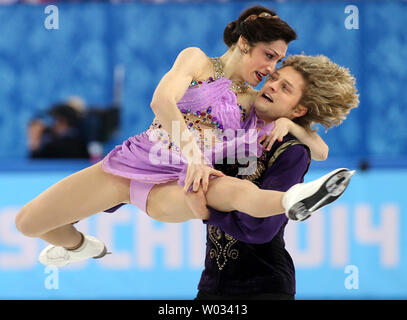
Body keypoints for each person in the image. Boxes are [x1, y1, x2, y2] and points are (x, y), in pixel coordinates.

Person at [15, 5, 351, 268]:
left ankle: (295, 200)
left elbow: (319, 149)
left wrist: (292, 126)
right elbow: (161, 101)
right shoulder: (197, 60)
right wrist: (193, 154)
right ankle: (81, 247)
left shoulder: (253, 100)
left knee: (233, 191)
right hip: (130, 166)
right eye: (269, 56)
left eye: (277, 60)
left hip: (180, 184)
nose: (271, 69)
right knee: (29, 223)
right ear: (244, 44)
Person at [195, 54, 360, 300]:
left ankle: (295, 199)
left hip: (264, 288)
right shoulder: (235, 129)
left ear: (298, 109)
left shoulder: (292, 151)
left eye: (285, 88)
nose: (271, 85)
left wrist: (208, 212)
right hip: (212, 287)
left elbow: (261, 228)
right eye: (273, 78)